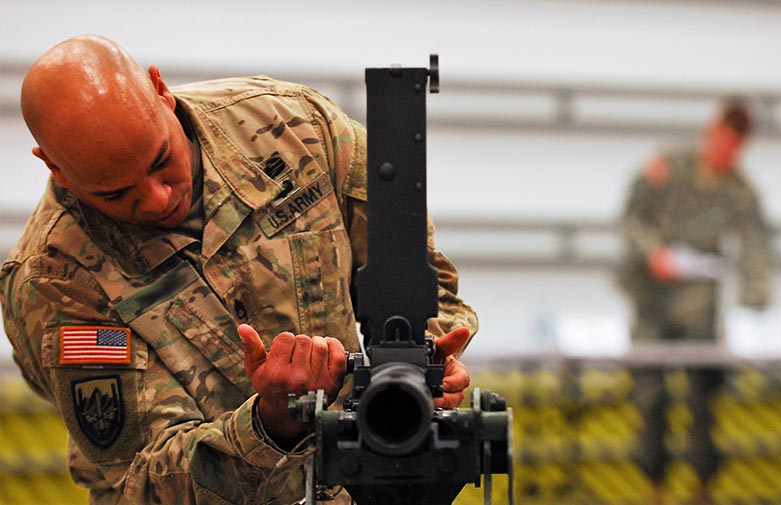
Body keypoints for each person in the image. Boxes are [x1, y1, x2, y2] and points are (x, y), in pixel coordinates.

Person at [0, 35, 478, 504]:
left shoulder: (295, 129)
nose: (158, 198)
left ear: (160, 91)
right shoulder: (55, 283)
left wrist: (426, 366)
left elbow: (418, 270)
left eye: (161, 161)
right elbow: (138, 484)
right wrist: (270, 424)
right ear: (55, 168)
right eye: (115, 193)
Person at [618, 99, 771, 504]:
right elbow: (631, 218)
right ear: (711, 132)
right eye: (722, 142)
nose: (725, 153)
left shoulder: (739, 189)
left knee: (703, 394)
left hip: (699, 303)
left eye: (733, 147)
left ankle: (702, 487)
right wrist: (654, 252)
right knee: (651, 396)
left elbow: (756, 242)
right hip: (652, 297)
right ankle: (654, 487)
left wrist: (757, 300)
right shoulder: (668, 167)